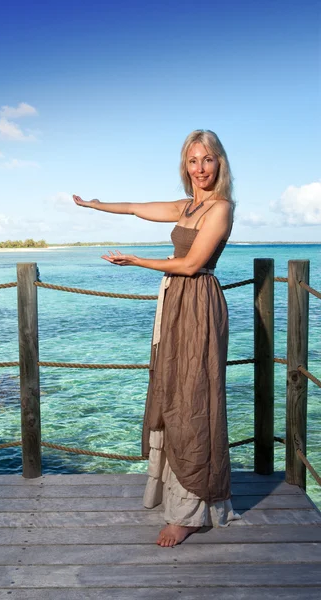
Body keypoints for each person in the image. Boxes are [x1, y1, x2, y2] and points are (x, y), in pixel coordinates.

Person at [73, 129, 242, 547]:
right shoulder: (187, 205)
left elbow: (190, 265)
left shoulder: (219, 209)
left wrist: (134, 260)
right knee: (172, 390)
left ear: (220, 163)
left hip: (197, 302)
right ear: (185, 166)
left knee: (193, 396)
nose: (200, 168)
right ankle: (177, 497)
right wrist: (96, 205)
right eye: (192, 161)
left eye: (207, 160)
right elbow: (134, 207)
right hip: (175, 302)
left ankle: (189, 512)